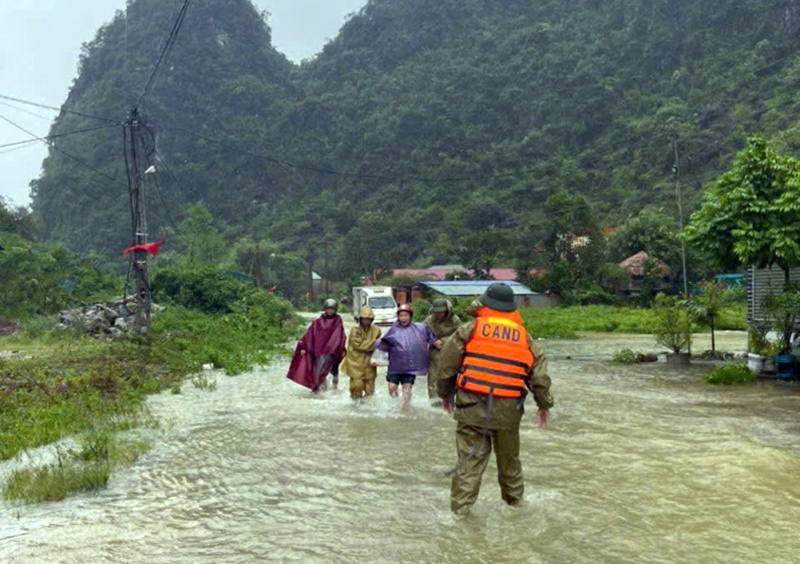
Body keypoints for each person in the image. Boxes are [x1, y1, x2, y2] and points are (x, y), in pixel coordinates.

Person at [436, 283, 553, 515]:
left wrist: (445, 394)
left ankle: (460, 517)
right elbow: (539, 378)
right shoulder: (526, 338)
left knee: (469, 464)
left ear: (485, 304)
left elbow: (447, 366)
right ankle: (516, 510)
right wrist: (544, 406)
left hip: (471, 407)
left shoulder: (469, 329)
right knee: (510, 464)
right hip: (508, 411)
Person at [377, 303, 442, 412]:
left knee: (406, 390)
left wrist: (438, 344)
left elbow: (432, 339)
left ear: (410, 316)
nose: (403, 318)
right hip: (395, 367)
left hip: (410, 367)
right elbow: (381, 345)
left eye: (405, 315)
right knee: (392, 388)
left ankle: (404, 412)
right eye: (401, 315)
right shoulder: (392, 330)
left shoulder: (420, 329)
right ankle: (394, 407)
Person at [286, 299, 347, 392]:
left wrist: (339, 347)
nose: (330, 311)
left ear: (335, 310)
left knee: (334, 372)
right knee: (319, 371)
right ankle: (321, 390)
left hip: (333, 352)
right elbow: (309, 334)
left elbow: (339, 336)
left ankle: (334, 391)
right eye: (328, 309)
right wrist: (304, 347)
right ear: (325, 309)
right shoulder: (318, 322)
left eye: (332, 309)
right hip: (320, 352)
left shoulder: (338, 321)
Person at [423, 299, 462, 400]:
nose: (438, 314)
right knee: (433, 378)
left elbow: (460, 335)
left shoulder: (455, 320)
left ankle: (448, 401)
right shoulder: (430, 320)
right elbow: (423, 333)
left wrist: (444, 341)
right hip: (434, 352)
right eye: (436, 312)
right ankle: (433, 401)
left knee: (448, 377)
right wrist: (434, 341)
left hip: (450, 352)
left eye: (441, 311)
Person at [341, 306, 382, 400]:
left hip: (370, 364)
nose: (366, 321)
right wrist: (375, 343)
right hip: (355, 363)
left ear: (372, 319)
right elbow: (359, 345)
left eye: (368, 319)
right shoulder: (355, 329)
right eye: (364, 319)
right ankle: (355, 406)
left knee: (370, 390)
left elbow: (381, 346)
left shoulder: (377, 330)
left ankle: (368, 407)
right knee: (356, 388)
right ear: (360, 319)